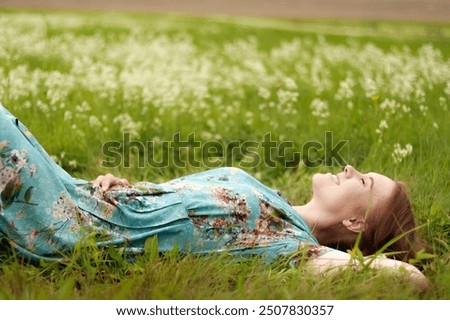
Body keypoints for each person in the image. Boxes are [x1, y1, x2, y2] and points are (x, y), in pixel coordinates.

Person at [0, 103, 428, 291]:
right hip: (79, 193)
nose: (350, 169)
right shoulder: (269, 197)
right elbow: (173, 201)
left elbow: (413, 279)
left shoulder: (294, 248)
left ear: (355, 224)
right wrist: (124, 183)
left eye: (365, 183)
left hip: (73, 225)